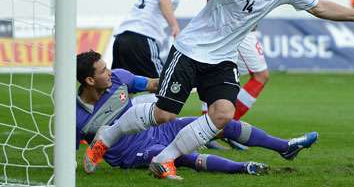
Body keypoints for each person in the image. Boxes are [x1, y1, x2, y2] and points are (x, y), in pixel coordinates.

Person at [85, 0, 354, 180]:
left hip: (223, 58)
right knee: (164, 114)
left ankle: (164, 160)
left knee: (223, 114)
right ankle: (107, 137)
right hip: (190, 50)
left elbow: (319, 6)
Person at [76, 50, 316, 176]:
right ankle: (243, 168)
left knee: (219, 122)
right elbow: (70, 157)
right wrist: (90, 162)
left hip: (159, 128)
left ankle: (285, 147)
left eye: (107, 67)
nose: (109, 72)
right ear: (89, 80)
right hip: (134, 154)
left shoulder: (119, 78)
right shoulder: (76, 118)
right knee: (174, 156)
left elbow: (153, 84)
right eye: (102, 71)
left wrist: (186, 81)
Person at [111, 0, 184, 78]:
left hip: (122, 37)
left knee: (119, 87)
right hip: (143, 37)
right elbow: (164, 1)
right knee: (161, 86)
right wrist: (175, 26)